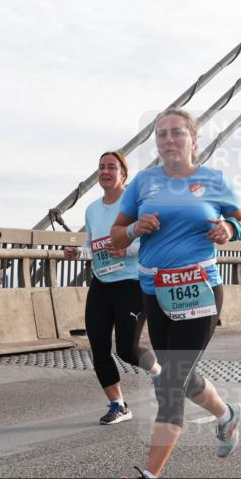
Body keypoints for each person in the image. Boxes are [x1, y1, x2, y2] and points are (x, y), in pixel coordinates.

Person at [109, 107, 241, 479]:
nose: (169, 140)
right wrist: (136, 228)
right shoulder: (143, 183)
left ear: (193, 140)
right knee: (183, 376)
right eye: (161, 135)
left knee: (170, 381)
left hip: (201, 292)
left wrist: (231, 229)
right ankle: (227, 415)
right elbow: (117, 237)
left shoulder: (213, 181)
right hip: (156, 294)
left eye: (177, 133)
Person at [64, 152, 161, 425]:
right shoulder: (92, 209)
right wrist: (77, 254)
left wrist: (126, 250)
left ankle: (158, 372)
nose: (105, 171)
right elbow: (92, 247)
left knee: (127, 350)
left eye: (111, 167)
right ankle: (117, 404)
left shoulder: (136, 205)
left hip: (131, 283)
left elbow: (151, 243)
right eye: (101, 167)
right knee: (98, 346)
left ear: (123, 174)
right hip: (102, 284)